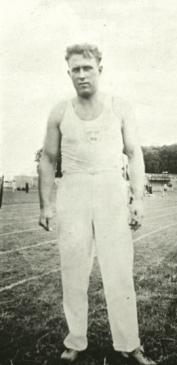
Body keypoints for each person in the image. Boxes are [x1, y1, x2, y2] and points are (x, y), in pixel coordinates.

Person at [38, 43, 156, 365]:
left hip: (110, 190)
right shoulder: (59, 111)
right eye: (75, 69)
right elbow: (48, 159)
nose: (81, 75)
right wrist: (46, 205)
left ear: (99, 69)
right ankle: (75, 339)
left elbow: (134, 154)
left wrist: (138, 199)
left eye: (87, 68)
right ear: (69, 73)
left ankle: (129, 344)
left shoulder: (120, 107)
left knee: (119, 270)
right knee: (73, 271)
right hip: (73, 190)